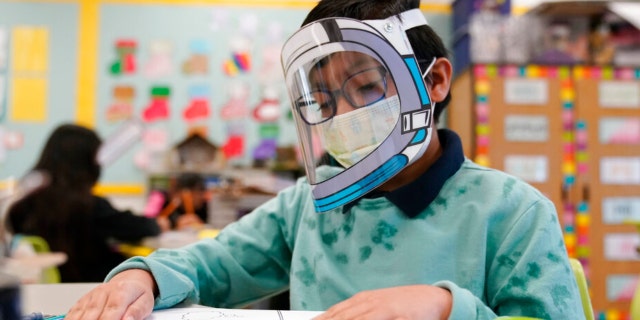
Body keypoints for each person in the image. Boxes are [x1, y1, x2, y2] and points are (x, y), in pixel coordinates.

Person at [65, 1, 584, 319]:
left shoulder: (510, 212)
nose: (344, 115)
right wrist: (143, 278)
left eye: (365, 86)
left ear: (435, 81)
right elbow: (215, 263)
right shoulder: (309, 205)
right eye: (324, 101)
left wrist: (447, 308)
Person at [5, 123, 166, 282]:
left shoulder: (21, 206)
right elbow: (143, 227)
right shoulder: (90, 206)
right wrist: (159, 223)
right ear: (88, 163)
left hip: (41, 292)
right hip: (94, 288)